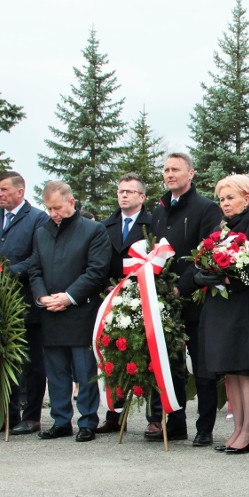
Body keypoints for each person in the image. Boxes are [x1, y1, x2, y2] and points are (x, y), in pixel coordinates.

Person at [194, 175, 249, 454]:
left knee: (245, 368)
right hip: (223, 307)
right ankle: (237, 428)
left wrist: (230, 280)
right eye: (222, 199)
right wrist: (204, 274)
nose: (225, 203)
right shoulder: (221, 229)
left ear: (247, 198)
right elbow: (205, 260)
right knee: (230, 369)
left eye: (230, 197)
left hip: (247, 306)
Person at [149, 152, 223, 445]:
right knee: (170, 362)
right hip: (164, 300)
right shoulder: (159, 209)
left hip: (195, 299)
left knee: (202, 365)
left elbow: (207, 253)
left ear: (190, 174)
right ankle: (175, 421)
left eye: (175, 169)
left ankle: (204, 427)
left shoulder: (206, 208)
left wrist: (182, 285)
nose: (169, 174)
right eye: (166, 170)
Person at [29, 181, 111, 442]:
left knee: (85, 371)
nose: (53, 213)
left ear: (72, 202)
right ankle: (60, 420)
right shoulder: (42, 233)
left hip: (80, 311)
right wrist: (42, 296)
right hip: (50, 311)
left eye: (57, 207)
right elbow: (35, 268)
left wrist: (68, 297)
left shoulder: (93, 230)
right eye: (49, 208)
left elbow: (96, 271)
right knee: (56, 372)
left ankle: (87, 420)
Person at [0, 171, 49, 435]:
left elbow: (39, 256)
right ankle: (9, 415)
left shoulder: (38, 218)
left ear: (20, 191)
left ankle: (31, 418)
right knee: (4, 359)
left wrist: (9, 272)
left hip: (26, 301)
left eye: (4, 189)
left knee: (32, 362)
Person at [95, 173, 152, 434]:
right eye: (120, 191)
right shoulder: (105, 226)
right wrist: (107, 285)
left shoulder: (152, 224)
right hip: (111, 296)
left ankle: (155, 417)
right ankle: (114, 414)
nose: (124, 195)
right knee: (113, 353)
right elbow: (97, 261)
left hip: (144, 297)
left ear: (142, 196)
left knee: (147, 356)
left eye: (130, 191)